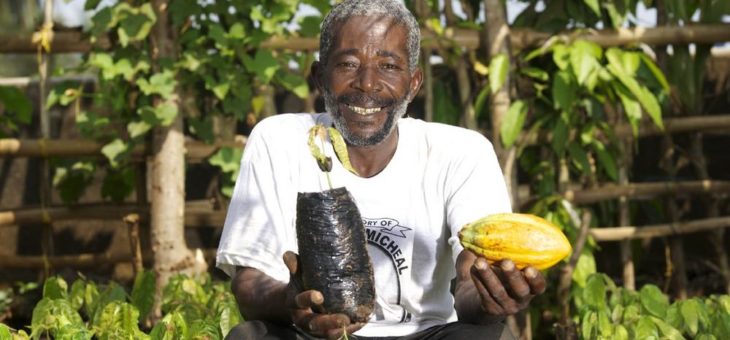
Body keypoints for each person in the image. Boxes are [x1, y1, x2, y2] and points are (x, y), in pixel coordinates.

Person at [216, 0, 546, 338]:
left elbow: (468, 279)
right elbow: (249, 282)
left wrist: (489, 296)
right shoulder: (280, 140)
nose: (368, 83)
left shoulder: (461, 152)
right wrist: (291, 302)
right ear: (319, 77)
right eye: (348, 64)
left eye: (388, 66)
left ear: (414, 82)